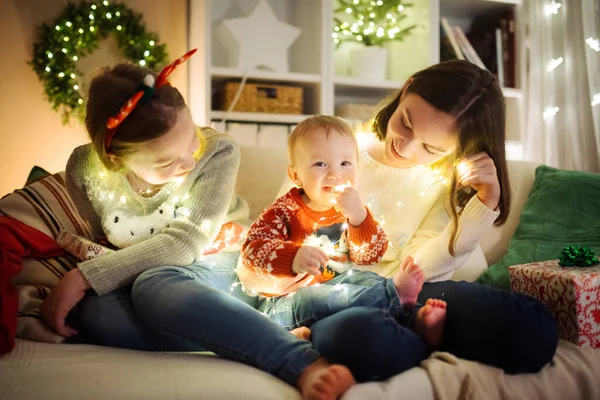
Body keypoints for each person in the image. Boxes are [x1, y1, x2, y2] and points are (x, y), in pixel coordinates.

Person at [40, 50, 355, 399]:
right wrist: (96, 276)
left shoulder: (217, 152)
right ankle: (260, 328)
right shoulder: (85, 169)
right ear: (116, 159)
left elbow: (186, 241)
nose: (189, 161)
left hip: (226, 262)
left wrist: (84, 276)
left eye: (191, 140)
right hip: (156, 280)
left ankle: (300, 362)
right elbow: (106, 241)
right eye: (166, 161)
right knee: (98, 314)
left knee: (154, 285)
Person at [286, 60, 559, 382]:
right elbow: (286, 226)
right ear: (407, 88)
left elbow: (421, 271)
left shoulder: (444, 180)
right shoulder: (332, 141)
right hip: (336, 294)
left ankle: (412, 334)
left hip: (409, 290)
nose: (404, 146)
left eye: (430, 147)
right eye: (406, 122)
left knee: (531, 330)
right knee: (362, 336)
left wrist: (483, 205)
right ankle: (418, 338)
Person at [237, 115, 448, 349]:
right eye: (320, 164)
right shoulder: (283, 211)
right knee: (315, 297)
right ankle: (393, 298)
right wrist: (293, 258)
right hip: (285, 303)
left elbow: (370, 255)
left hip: (340, 292)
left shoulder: (350, 209)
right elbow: (252, 250)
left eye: (345, 163)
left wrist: (359, 218)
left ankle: (417, 320)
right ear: (296, 176)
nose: (335, 174)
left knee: (366, 279)